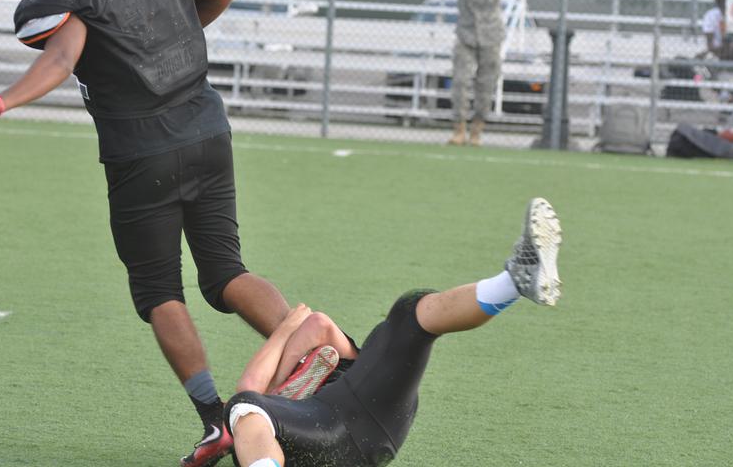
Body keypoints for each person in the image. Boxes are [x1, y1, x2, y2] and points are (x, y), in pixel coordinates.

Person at [0, 0, 290, 465]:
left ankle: (215, 421)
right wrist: (163, 36)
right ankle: (313, 356)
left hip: (142, 153)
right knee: (227, 270)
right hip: (208, 131)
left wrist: (3, 99)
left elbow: (60, 60)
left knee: (159, 291)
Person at [223, 197, 563, 466]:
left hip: (364, 419)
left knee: (409, 314)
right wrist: (283, 334)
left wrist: (277, 386)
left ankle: (516, 279)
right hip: (340, 432)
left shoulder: (363, 365)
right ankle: (512, 282)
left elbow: (319, 326)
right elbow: (248, 391)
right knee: (243, 406)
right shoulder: (283, 411)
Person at [425, 0, 529, 146]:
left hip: (492, 34)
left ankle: (477, 129)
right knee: (460, 81)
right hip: (466, 32)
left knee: (486, 84)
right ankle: (459, 128)